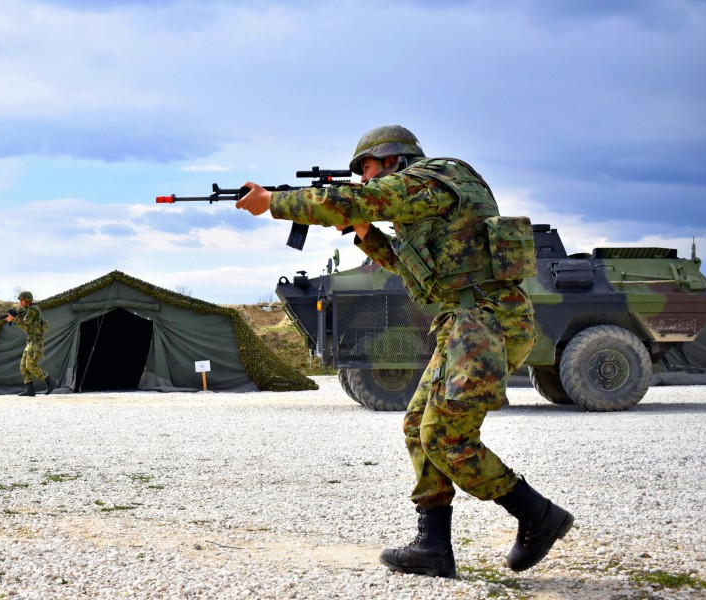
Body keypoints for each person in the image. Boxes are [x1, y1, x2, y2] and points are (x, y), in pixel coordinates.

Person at [235, 125, 573, 578]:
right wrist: (364, 232)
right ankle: (432, 545)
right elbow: (414, 269)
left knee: (447, 440)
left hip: (485, 322)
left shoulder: (427, 182)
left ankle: (537, 515)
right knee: (418, 426)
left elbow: (346, 200)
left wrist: (273, 203)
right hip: (465, 321)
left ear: (393, 159)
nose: (364, 179)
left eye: (367, 168)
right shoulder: (428, 197)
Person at [8, 290, 56, 396]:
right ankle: (30, 390)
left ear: (27, 300)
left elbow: (26, 325)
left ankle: (50, 381)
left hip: (35, 341)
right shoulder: (28, 309)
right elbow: (23, 316)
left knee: (30, 365)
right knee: (23, 366)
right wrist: (14, 315)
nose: (20, 302)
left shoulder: (33, 310)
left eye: (22, 300)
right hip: (31, 341)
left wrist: (13, 320)